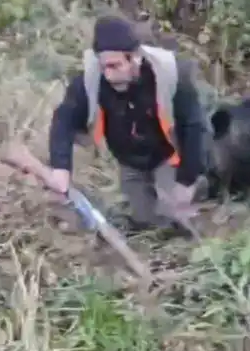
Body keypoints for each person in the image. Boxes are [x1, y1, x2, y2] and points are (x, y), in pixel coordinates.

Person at [48, 15, 209, 233]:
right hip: (130, 161)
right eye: (104, 67)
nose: (108, 75)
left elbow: (193, 126)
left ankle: (202, 183)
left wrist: (187, 180)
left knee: (174, 215)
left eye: (115, 66)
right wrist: (60, 168)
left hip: (168, 155)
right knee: (146, 222)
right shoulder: (90, 81)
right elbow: (64, 119)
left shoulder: (170, 74)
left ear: (135, 58)